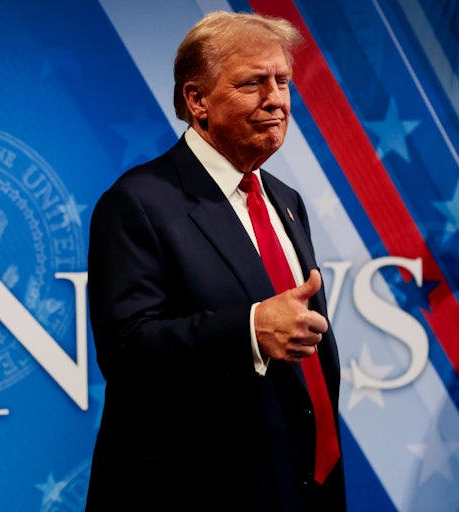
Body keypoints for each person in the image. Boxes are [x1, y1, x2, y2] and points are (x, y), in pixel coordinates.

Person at [85, 10, 346, 511]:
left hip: (299, 484)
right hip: (199, 494)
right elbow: (126, 351)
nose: (276, 99)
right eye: (253, 83)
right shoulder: (138, 202)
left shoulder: (285, 199)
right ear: (197, 100)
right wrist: (250, 330)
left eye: (283, 81)